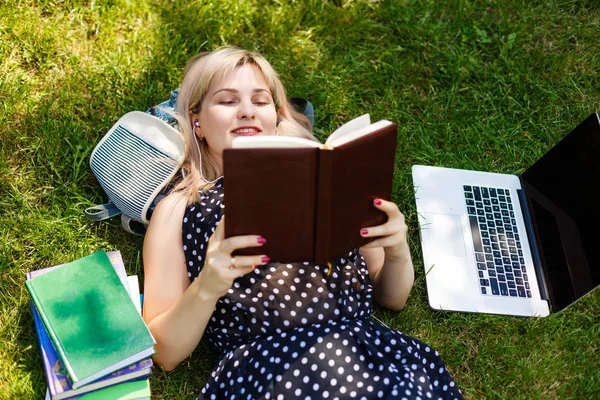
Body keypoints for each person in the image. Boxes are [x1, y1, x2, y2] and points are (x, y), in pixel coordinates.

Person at [142, 46, 464, 399]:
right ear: (197, 121)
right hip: (269, 374)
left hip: (369, 360)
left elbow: (392, 298)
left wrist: (398, 251)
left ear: (276, 116)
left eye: (260, 101)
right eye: (228, 101)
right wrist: (209, 283)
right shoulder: (180, 208)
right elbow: (164, 352)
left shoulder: (327, 179)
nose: (247, 111)